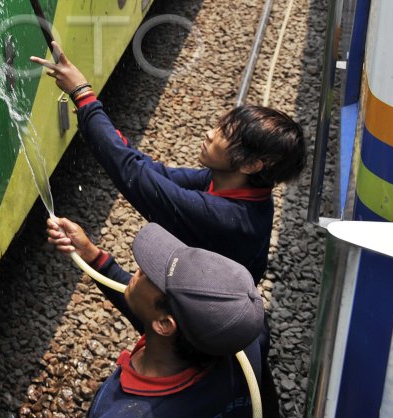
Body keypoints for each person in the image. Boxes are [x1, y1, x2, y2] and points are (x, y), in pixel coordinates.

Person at [30, 41, 306, 284]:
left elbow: (132, 174)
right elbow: (147, 169)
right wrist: (92, 253)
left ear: (251, 165)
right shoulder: (239, 189)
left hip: (197, 336)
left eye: (225, 134)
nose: (210, 133)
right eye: (219, 126)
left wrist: (82, 94)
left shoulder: (225, 218)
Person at [47, 217, 266, 418]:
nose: (139, 270)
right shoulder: (238, 335)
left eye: (149, 275)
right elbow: (152, 311)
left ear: (164, 325)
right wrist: (94, 257)